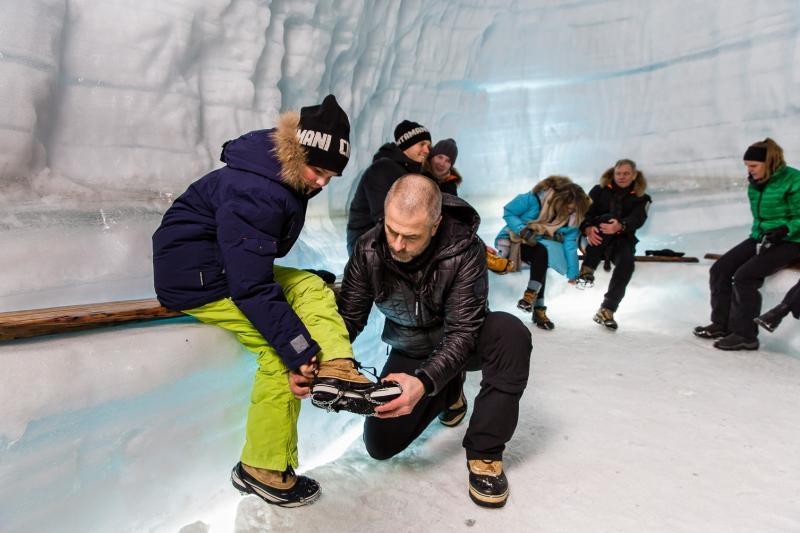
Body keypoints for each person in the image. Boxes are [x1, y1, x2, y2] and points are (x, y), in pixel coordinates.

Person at [152, 95, 391, 508]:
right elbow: (250, 287)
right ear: (299, 153)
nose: (321, 184)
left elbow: (252, 263)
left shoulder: (278, 172)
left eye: (331, 177)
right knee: (278, 356)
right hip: (197, 278)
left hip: (220, 263)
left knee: (311, 287)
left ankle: (338, 368)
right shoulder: (258, 190)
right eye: (318, 172)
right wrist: (298, 350)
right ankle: (260, 468)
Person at [306, 174, 532, 508]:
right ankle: (448, 392)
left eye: (411, 236)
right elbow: (349, 318)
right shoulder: (368, 249)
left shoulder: (464, 248)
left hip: (464, 340)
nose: (397, 244)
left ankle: (485, 452)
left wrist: (423, 383)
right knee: (380, 446)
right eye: (392, 230)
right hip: (411, 345)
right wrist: (318, 358)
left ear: (436, 224)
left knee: (510, 333)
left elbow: (463, 332)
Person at [694, 138, 800, 349]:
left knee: (745, 276)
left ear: (769, 162)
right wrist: (761, 236)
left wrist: (784, 229)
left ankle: (746, 335)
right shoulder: (757, 184)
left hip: (792, 241)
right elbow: (761, 218)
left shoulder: (793, 180)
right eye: (747, 166)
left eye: (753, 166)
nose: (749, 170)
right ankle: (721, 324)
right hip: (762, 237)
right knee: (720, 270)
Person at [494, 176, 591, 329]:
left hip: (539, 245)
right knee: (542, 252)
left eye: (573, 209)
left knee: (542, 254)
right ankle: (538, 309)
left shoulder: (571, 219)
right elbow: (508, 212)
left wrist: (573, 274)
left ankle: (530, 299)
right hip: (513, 240)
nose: (569, 212)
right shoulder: (533, 199)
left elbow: (570, 245)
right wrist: (523, 230)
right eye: (568, 207)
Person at [578, 159, 652, 330]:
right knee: (606, 219)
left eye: (626, 173)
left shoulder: (642, 198)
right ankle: (587, 270)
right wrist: (587, 228)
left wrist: (620, 226)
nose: (622, 177)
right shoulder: (599, 191)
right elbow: (584, 212)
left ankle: (607, 310)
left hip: (621, 241)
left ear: (634, 175)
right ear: (613, 173)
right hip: (595, 240)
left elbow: (637, 219)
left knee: (627, 263)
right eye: (618, 173)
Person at [346, 120, 432, 253]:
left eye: (429, 146)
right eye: (422, 144)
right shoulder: (383, 169)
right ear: (406, 144)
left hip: (392, 240)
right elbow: (385, 220)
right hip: (366, 247)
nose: (427, 150)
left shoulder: (410, 172)